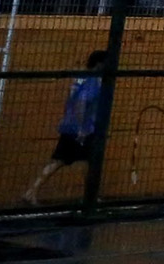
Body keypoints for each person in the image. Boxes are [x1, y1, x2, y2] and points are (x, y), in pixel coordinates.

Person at [24, 50, 109, 205]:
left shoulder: (82, 78)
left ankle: (31, 192)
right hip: (82, 129)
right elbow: (80, 104)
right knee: (85, 162)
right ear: (99, 63)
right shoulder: (91, 81)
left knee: (62, 160)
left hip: (72, 126)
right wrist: (82, 127)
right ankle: (91, 197)